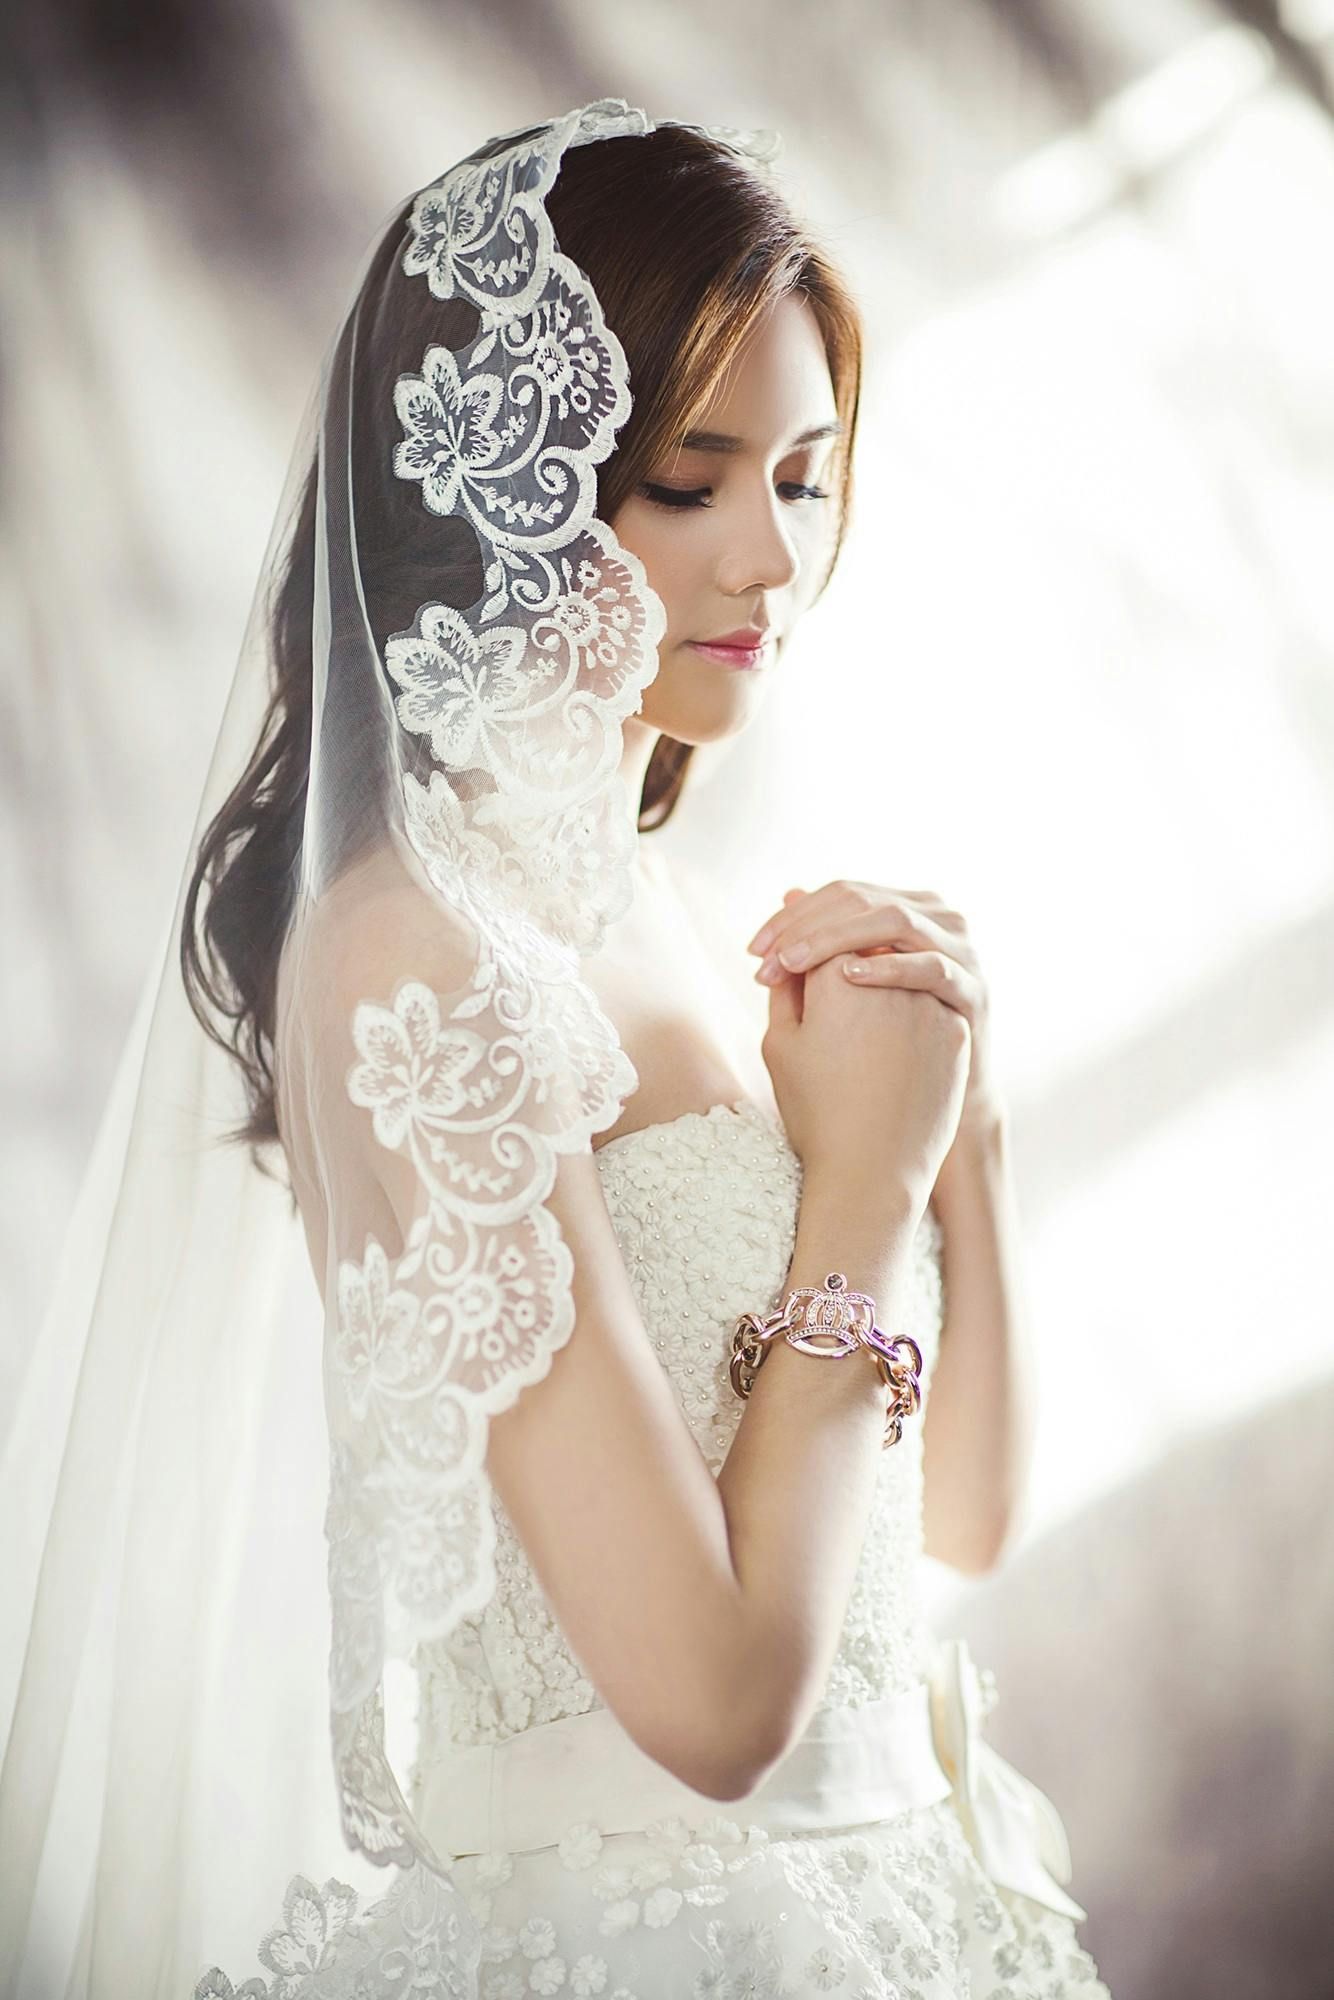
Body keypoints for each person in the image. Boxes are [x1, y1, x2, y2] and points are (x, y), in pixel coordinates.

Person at [0, 100, 1112, 1998]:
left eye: (809, 476)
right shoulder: (405, 954)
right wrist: (854, 1178)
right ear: (497, 488)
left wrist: (957, 1116)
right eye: (692, 481)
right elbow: (712, 1703)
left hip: (908, 1909)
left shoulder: (652, 898)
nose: (771, 558)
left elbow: (961, 1517)